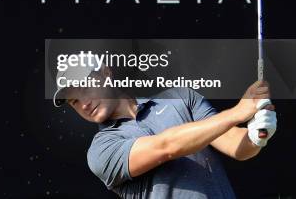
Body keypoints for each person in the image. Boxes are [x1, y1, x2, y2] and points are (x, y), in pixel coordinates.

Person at [53, 65, 278, 198]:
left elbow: (234, 145)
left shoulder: (180, 98)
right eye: (74, 101)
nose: (83, 103)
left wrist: (256, 134)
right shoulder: (101, 150)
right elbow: (166, 147)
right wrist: (238, 112)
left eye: (85, 88)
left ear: (105, 73)